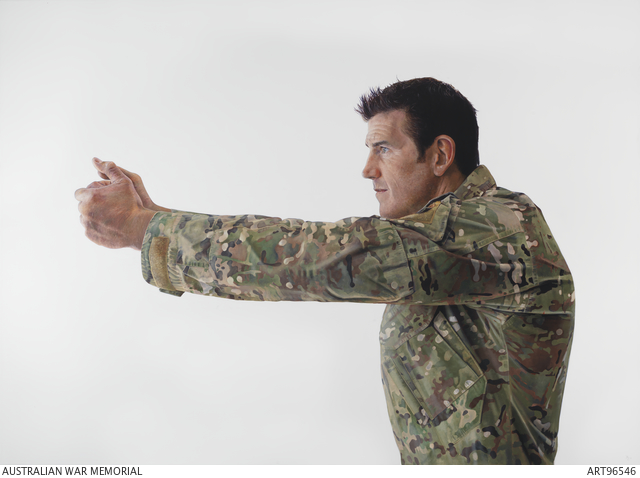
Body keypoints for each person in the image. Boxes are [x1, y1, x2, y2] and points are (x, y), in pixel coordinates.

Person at [75, 77, 574, 465]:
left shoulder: (491, 227)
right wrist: (155, 218)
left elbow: (319, 257)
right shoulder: (450, 234)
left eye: (384, 148)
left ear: (441, 154)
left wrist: (149, 229)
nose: (368, 170)